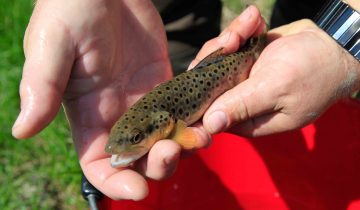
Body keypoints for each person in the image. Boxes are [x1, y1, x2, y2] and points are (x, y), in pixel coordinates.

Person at [12, 0, 360, 201]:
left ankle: (299, 37)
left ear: (165, 124)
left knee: (308, 17)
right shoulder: (151, 116)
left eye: (135, 139)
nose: (127, 143)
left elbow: (190, 135)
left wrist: (345, 36)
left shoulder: (169, 124)